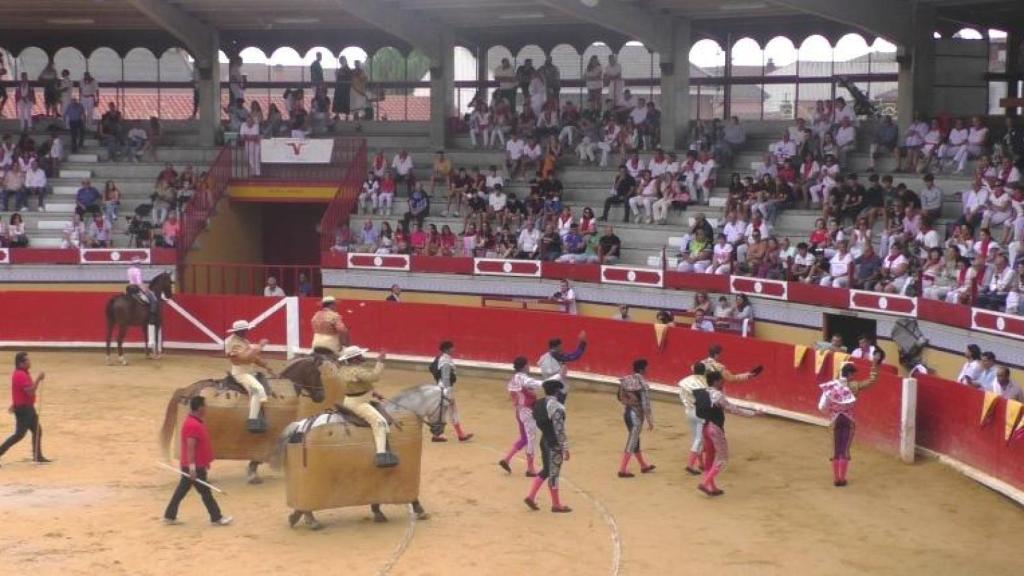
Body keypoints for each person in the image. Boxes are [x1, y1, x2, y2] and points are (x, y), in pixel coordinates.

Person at [163, 396, 232, 526]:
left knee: (181, 492)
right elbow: (190, 448)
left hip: (193, 466)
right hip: (194, 467)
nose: (207, 408)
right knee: (205, 492)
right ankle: (216, 517)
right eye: (205, 406)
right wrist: (192, 468)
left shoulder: (194, 422)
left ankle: (169, 515)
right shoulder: (193, 425)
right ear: (200, 408)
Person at [817, 353, 881, 487]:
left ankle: (836, 479)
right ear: (850, 374)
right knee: (845, 449)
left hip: (835, 419)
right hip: (848, 419)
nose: (854, 376)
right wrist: (874, 365)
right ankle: (842, 478)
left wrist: (832, 410)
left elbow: (822, 407)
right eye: (853, 374)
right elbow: (872, 381)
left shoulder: (831, 386)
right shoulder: (854, 386)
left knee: (835, 449)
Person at [329, 346, 398, 467]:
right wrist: (380, 362)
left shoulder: (346, 369)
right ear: (354, 359)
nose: (362, 357)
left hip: (356, 399)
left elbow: (362, 384)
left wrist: (374, 393)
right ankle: (381, 455)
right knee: (380, 422)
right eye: (359, 356)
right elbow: (374, 377)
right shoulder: (355, 371)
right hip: (358, 403)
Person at [693, 371, 759, 496]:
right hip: (715, 429)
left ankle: (712, 487)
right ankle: (705, 483)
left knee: (710, 458)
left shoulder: (701, 392)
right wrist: (753, 413)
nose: (723, 382)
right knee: (722, 459)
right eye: (721, 380)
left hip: (704, 427)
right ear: (716, 381)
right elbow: (733, 409)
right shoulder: (718, 395)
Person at [524, 379, 572, 513]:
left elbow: (537, 419)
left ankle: (531, 496)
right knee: (554, 473)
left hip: (544, 440)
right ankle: (556, 504)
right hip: (554, 444)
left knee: (546, 469)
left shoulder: (539, 403)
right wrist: (565, 447)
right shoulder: (556, 407)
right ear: (556, 391)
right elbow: (559, 429)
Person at [224, 320, 275, 433]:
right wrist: (259, 346)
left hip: (249, 372)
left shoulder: (243, 341)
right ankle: (252, 421)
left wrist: (266, 366)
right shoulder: (231, 342)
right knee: (257, 390)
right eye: (245, 330)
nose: (247, 331)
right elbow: (244, 358)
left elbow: (253, 358)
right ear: (239, 331)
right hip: (240, 373)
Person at [0, 352, 49, 465]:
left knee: (37, 430)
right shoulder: (20, 375)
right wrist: (38, 379)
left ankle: (37, 456)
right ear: (21, 363)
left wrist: (14, 403)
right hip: (24, 410)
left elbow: (18, 391)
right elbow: (30, 391)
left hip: (27, 408)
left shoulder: (22, 373)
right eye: (27, 360)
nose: (29, 362)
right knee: (19, 435)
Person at [500, 356, 544, 476]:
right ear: (524, 366)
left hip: (519, 412)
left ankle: (507, 459)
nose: (529, 366)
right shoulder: (523, 378)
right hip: (528, 412)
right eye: (528, 364)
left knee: (524, 438)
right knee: (531, 439)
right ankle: (530, 468)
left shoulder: (513, 379)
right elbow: (534, 384)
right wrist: (551, 382)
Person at [427, 340, 472, 442]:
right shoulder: (446, 361)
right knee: (444, 412)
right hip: (445, 389)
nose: (454, 349)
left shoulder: (441, 358)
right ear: (447, 349)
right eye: (452, 348)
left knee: (449, 411)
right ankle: (438, 435)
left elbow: (432, 369)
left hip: (442, 388)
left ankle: (459, 434)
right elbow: (446, 377)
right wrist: (447, 394)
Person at [617, 359, 655, 478]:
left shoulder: (626, 379)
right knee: (633, 440)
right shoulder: (641, 383)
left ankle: (643, 465)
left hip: (627, 413)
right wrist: (649, 419)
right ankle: (622, 469)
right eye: (646, 368)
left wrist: (629, 402)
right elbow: (645, 402)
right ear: (641, 369)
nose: (647, 370)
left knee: (635, 439)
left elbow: (619, 396)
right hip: (636, 415)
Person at [538, 331, 587, 404]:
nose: (562, 348)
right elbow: (575, 356)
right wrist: (582, 343)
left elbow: (540, 365)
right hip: (558, 389)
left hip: (548, 388)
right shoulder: (559, 357)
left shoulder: (543, 357)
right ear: (557, 347)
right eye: (560, 346)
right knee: (557, 410)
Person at [678, 362, 708, 476]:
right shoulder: (705, 382)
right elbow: (705, 399)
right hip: (700, 413)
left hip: (689, 411)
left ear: (693, 370)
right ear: (704, 371)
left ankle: (700, 463)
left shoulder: (684, 381)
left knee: (696, 438)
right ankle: (690, 465)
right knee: (699, 439)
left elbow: (681, 395)